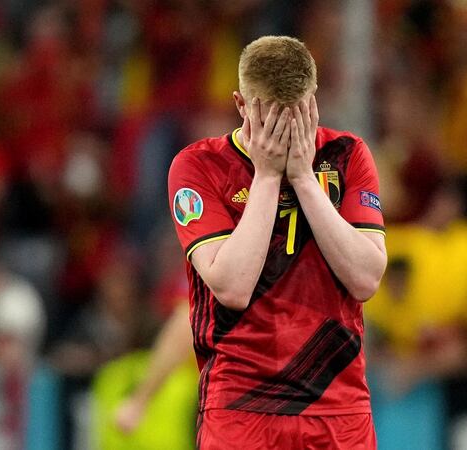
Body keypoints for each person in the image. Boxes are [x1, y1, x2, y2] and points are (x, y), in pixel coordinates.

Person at [163, 35, 387, 449]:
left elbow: (366, 279)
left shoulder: (346, 154)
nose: (285, 131)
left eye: (297, 114)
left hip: (338, 408)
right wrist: (267, 176)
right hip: (241, 406)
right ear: (241, 105)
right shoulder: (198, 166)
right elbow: (232, 286)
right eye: (269, 117)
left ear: (313, 101)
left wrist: (303, 178)